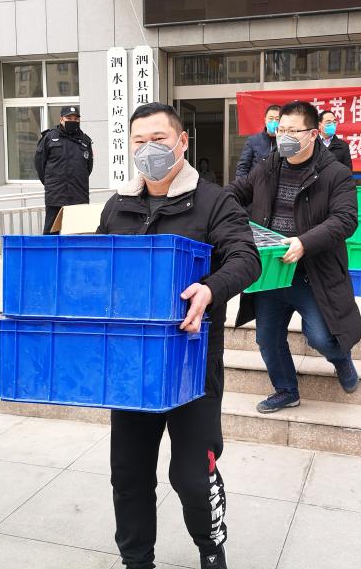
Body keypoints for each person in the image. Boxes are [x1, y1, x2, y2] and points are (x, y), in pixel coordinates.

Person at [97, 102, 260, 569]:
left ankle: (210, 548)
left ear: (182, 142)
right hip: (133, 367)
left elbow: (246, 258)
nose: (149, 149)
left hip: (192, 366)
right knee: (129, 475)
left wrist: (210, 289)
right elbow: (99, 267)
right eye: (139, 141)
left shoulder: (214, 201)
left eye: (159, 139)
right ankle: (136, 561)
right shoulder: (118, 205)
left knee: (192, 476)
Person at [226, 100, 361, 413]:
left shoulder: (335, 173)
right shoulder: (269, 165)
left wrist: (304, 242)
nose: (283, 137)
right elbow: (237, 190)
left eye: (292, 131)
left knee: (322, 338)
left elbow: (345, 219)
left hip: (311, 272)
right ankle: (286, 390)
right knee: (267, 338)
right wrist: (214, 207)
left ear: (313, 134)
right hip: (271, 270)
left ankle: (341, 359)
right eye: (281, 130)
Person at [34, 105, 93, 234]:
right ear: (61, 119)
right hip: (56, 195)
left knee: (76, 234)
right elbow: (39, 165)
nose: (73, 121)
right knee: (51, 234)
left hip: (78, 196)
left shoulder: (85, 141)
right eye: (69, 118)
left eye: (76, 119)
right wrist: (52, 183)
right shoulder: (49, 138)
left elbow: (88, 168)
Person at [235, 104, 280, 178]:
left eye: (277, 119)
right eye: (271, 118)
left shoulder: (286, 141)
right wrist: (242, 184)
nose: (274, 122)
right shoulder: (253, 140)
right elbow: (242, 167)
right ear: (265, 120)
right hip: (256, 183)